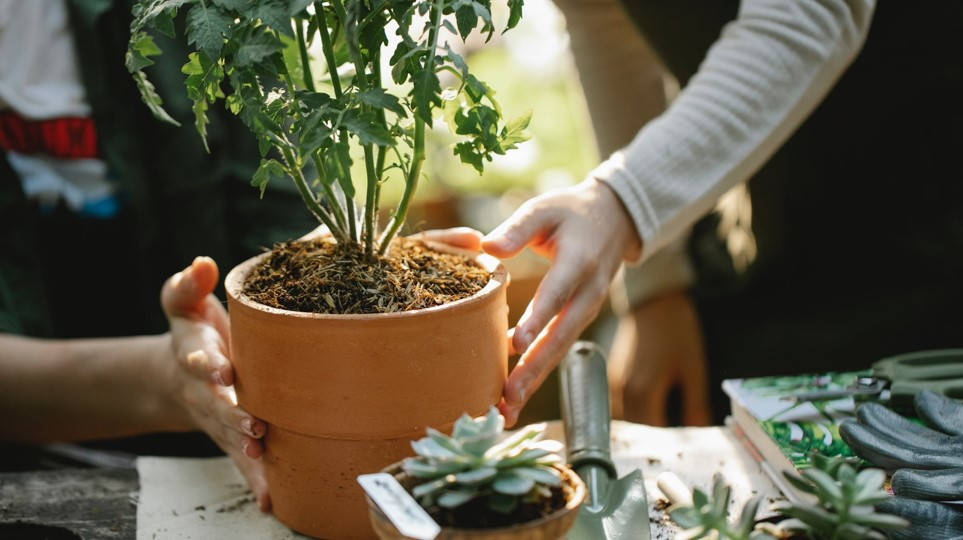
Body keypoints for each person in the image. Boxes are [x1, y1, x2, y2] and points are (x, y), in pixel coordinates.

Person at [475, 0, 963, 429]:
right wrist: (657, 286)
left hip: (922, 222)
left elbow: (810, 13)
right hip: (763, 234)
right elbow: (602, 18)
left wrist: (622, 203)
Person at [0, 0, 313, 509]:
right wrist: (172, 379)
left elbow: (290, 224)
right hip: (27, 474)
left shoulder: (208, 14)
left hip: (233, 453)